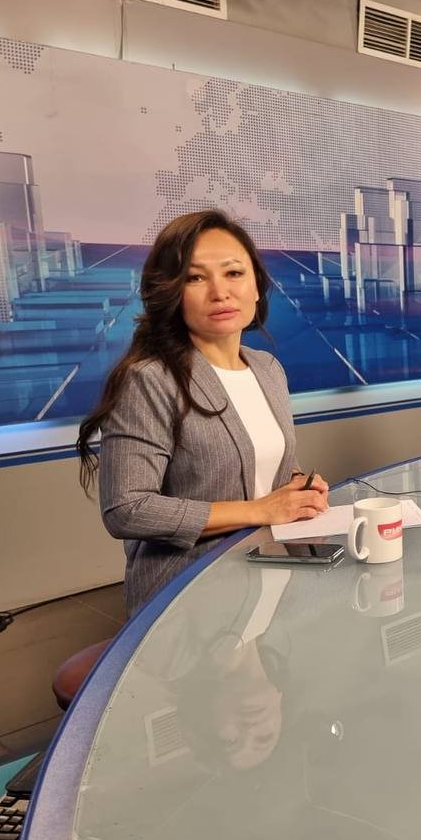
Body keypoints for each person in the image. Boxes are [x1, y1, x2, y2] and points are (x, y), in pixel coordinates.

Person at [77, 210, 329, 616]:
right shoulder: (149, 379)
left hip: (271, 574)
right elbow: (126, 509)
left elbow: (268, 465)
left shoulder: (266, 368)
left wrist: (299, 487)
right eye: (195, 278)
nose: (220, 292)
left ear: (257, 286)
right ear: (171, 292)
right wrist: (260, 510)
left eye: (234, 273)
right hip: (191, 594)